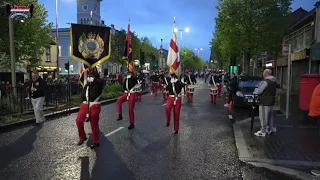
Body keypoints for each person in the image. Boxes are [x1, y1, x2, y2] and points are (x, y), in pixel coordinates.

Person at [75, 70, 104, 149]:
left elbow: (101, 82)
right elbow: (83, 94)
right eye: (89, 76)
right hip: (85, 104)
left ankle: (96, 141)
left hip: (94, 103)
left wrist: (93, 79)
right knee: (78, 120)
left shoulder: (99, 83)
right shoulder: (87, 84)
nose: (89, 78)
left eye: (91, 76)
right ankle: (82, 137)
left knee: (94, 122)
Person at [253, 69, 277, 137]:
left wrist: (255, 91)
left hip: (264, 101)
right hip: (271, 101)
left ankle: (263, 130)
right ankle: (270, 129)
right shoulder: (274, 81)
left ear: (266, 73)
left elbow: (259, 91)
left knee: (263, 116)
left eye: (263, 73)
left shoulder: (265, 81)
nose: (263, 74)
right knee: (270, 116)